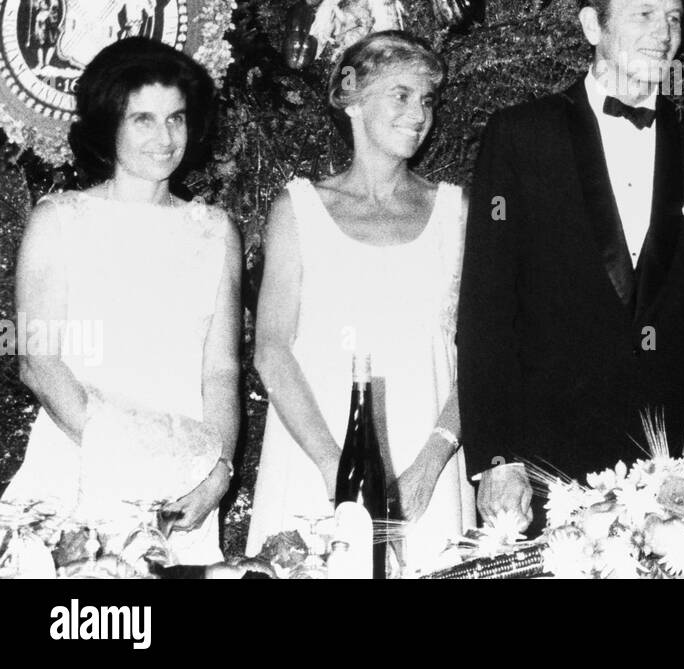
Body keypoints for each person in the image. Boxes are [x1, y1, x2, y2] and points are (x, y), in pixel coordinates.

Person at [457, 0, 684, 533]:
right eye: (644, 14)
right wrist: (496, 456)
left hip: (681, 472)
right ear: (592, 24)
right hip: (546, 464)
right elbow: (486, 309)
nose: (665, 34)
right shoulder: (520, 138)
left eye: (674, 18)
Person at [3, 38, 240, 564]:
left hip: (183, 489)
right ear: (108, 125)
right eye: (144, 120)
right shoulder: (58, 220)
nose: (165, 138)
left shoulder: (216, 231)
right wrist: (127, 458)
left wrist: (216, 473)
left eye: (176, 119)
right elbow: (37, 361)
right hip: (82, 466)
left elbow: (221, 371)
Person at [248, 31, 473, 574]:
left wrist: (428, 465)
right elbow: (271, 351)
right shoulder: (299, 208)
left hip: (429, 474)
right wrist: (340, 471)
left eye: (427, 99)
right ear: (352, 100)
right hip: (316, 465)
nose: (419, 113)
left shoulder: (455, 211)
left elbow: (483, 353)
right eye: (401, 94)